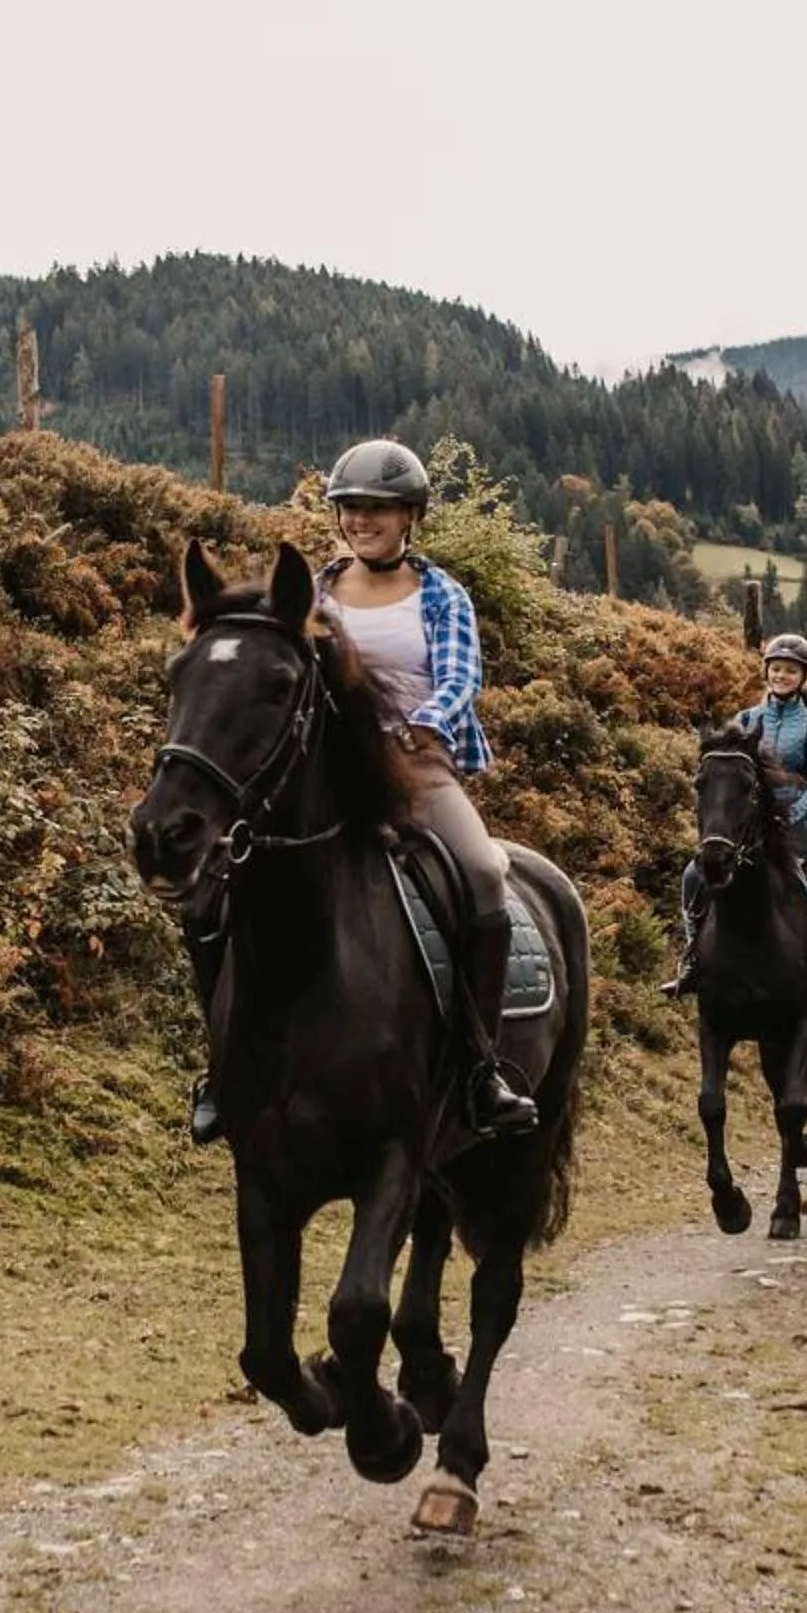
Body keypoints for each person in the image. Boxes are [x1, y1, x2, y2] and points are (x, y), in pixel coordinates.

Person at [186, 438, 539, 1144]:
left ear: (409, 515)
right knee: (210, 891)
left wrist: (421, 724)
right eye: (350, 509)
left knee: (481, 874)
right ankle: (224, 1066)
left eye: (377, 509)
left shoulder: (442, 595)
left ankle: (480, 1067)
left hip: (418, 768)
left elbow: (460, 680)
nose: (361, 521)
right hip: (330, 773)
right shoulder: (312, 594)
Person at [664, 633, 807, 996]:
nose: (782, 676)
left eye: (790, 671)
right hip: (749, 829)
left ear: (803, 677)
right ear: (767, 671)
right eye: (776, 668)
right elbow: (732, 779)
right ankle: (691, 959)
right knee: (693, 874)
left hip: (795, 823)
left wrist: (794, 814)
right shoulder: (747, 718)